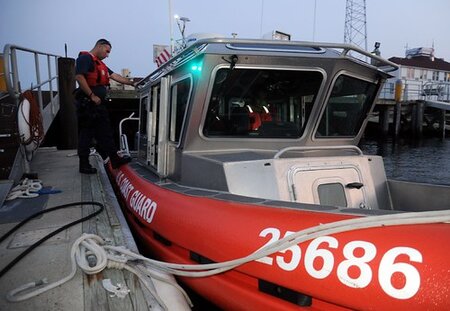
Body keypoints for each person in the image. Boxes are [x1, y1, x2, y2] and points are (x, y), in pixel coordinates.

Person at [75, 38, 135, 174]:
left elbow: (115, 76)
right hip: (88, 104)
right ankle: (84, 164)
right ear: (100, 46)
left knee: (106, 132)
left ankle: (114, 159)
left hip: (98, 106)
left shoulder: (100, 64)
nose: (107, 55)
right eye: (107, 51)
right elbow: (79, 77)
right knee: (86, 133)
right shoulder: (85, 58)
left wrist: (132, 83)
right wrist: (91, 95)